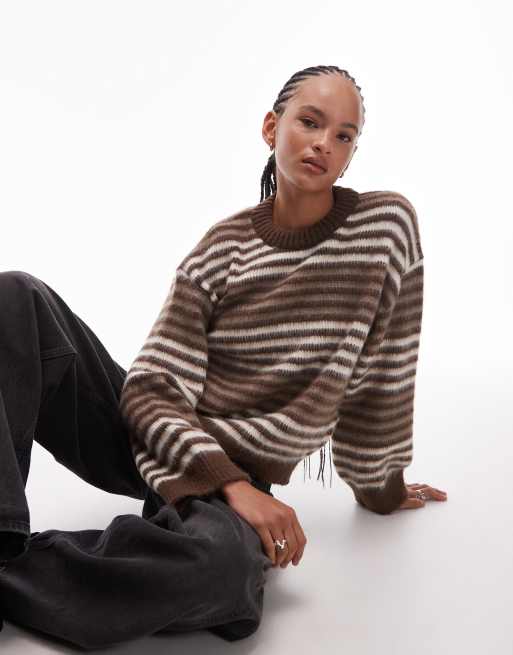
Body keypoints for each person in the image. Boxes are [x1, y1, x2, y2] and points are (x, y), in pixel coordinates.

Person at [0, 64, 447, 650]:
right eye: (310, 122)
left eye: (344, 136)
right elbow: (152, 387)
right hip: (155, 434)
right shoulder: (222, 247)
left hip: (233, 469)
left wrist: (381, 488)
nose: (324, 144)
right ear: (271, 128)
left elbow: (383, 375)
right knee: (14, 297)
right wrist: (234, 486)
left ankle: (16, 575)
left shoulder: (385, 227)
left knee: (221, 572)